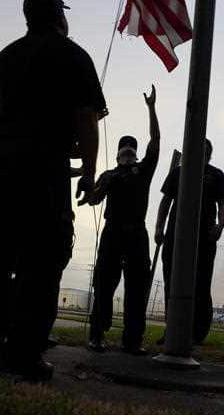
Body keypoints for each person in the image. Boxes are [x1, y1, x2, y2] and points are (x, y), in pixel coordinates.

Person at [0, 0, 106, 381]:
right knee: (41, 262)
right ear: (60, 16)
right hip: (41, 171)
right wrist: (89, 174)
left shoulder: (3, 58)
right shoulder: (74, 55)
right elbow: (87, 120)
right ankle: (23, 355)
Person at [86, 85, 160, 355]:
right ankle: (96, 335)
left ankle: (132, 340)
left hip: (137, 235)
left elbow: (155, 142)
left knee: (137, 288)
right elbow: (94, 199)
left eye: (132, 147)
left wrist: (151, 109)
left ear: (136, 153)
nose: (128, 149)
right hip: (112, 233)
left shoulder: (144, 171)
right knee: (104, 285)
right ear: (117, 154)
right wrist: (91, 190)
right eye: (123, 147)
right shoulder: (108, 175)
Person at [154, 139, 224, 345]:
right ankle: (172, 330)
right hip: (175, 235)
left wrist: (220, 226)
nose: (201, 153)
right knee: (172, 281)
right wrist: (158, 228)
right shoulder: (178, 172)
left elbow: (223, 203)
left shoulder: (216, 175)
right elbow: (165, 201)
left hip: (204, 237)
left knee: (201, 283)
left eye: (206, 151)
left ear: (209, 154)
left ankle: (197, 334)